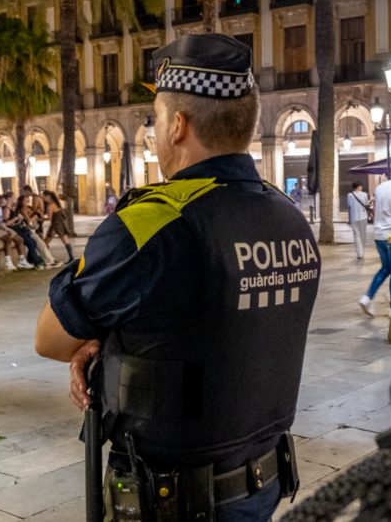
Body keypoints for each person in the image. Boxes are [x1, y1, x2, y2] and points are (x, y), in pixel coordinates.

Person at [35, 33, 319, 520]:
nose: (155, 131)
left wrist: (97, 342)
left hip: (173, 500)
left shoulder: (154, 226)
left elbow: (50, 339)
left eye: (157, 119)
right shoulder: (288, 216)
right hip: (263, 483)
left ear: (179, 126)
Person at [358, 161, 391, 317]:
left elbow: (376, 209)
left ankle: (367, 297)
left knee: (385, 268)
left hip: (378, 235)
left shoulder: (380, 188)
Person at [0, 195, 31, 271]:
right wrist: (5, 229)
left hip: (1, 226)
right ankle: (8, 263)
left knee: (20, 239)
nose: (1, 206)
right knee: (8, 239)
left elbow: (3, 220)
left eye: (1, 203)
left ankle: (22, 261)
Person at [42, 190, 76, 263]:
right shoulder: (57, 203)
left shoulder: (50, 206)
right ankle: (71, 257)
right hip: (61, 224)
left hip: (55, 225)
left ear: (48, 196)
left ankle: (47, 258)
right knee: (66, 241)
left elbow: (49, 218)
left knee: (45, 243)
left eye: (44, 196)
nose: (43, 198)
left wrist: (41, 218)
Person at [347, 181, 370, 260]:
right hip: (363, 217)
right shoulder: (364, 194)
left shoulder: (350, 195)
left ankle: (360, 253)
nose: (361, 187)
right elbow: (366, 204)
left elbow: (349, 207)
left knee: (356, 235)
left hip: (354, 217)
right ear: (359, 186)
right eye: (361, 186)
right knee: (363, 234)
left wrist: (349, 219)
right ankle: (362, 251)